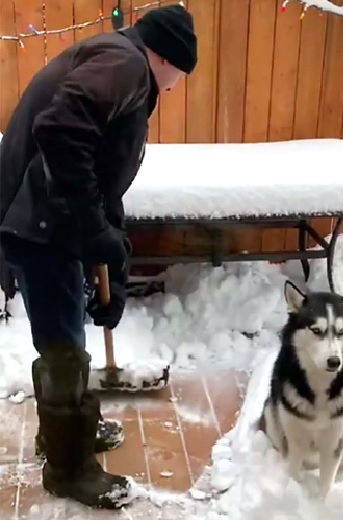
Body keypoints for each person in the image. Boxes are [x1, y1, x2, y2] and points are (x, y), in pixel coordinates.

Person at [0, 5, 196, 509]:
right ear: (168, 58)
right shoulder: (125, 65)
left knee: (64, 337)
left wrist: (114, 252)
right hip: (38, 222)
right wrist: (90, 228)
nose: (174, 88)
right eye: (179, 74)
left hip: (45, 218)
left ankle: (64, 433)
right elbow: (61, 129)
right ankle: (67, 470)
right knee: (64, 349)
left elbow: (99, 176)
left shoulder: (117, 60)